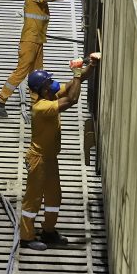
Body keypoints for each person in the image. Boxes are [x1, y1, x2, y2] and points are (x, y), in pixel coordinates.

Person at [19, 55, 99, 251]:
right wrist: (78, 76)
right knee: (33, 198)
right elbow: (72, 98)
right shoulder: (42, 107)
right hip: (38, 159)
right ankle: (27, 237)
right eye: (49, 83)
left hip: (50, 158)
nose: (53, 85)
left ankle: (48, 231)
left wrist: (90, 65)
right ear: (42, 89)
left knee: (54, 196)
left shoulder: (49, 95)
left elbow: (74, 83)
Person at [0, 0, 86, 117]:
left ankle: (35, 104)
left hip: (37, 41)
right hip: (29, 41)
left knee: (37, 74)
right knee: (21, 72)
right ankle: (0, 99)